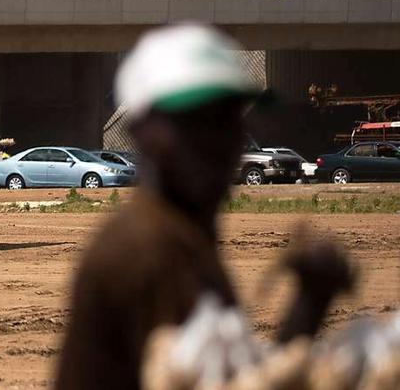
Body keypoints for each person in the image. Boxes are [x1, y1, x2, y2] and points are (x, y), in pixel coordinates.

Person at [56, 24, 352, 389]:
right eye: (193, 124)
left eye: (227, 121)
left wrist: (309, 304)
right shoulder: (147, 251)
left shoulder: (182, 233)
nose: (215, 143)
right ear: (141, 132)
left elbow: (223, 375)